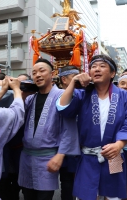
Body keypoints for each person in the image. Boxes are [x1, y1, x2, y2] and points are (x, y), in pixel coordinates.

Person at [57, 54, 127, 200]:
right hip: (88, 156)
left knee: (113, 196)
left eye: (102, 66)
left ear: (112, 73)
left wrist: (119, 144)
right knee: (86, 196)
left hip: (114, 155)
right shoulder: (82, 93)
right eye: (93, 67)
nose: (97, 69)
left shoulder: (123, 96)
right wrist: (73, 82)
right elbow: (63, 108)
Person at [18, 58, 80, 200]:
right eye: (34, 73)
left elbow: (68, 129)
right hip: (26, 157)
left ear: (52, 74)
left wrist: (61, 154)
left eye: (42, 71)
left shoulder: (61, 96)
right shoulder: (30, 99)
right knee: (27, 195)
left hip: (47, 157)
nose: (37, 75)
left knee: (44, 196)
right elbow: (16, 119)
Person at [58, 65, 80, 200]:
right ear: (64, 80)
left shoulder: (84, 93)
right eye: (74, 78)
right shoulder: (58, 95)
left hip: (82, 145)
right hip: (64, 146)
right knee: (67, 184)